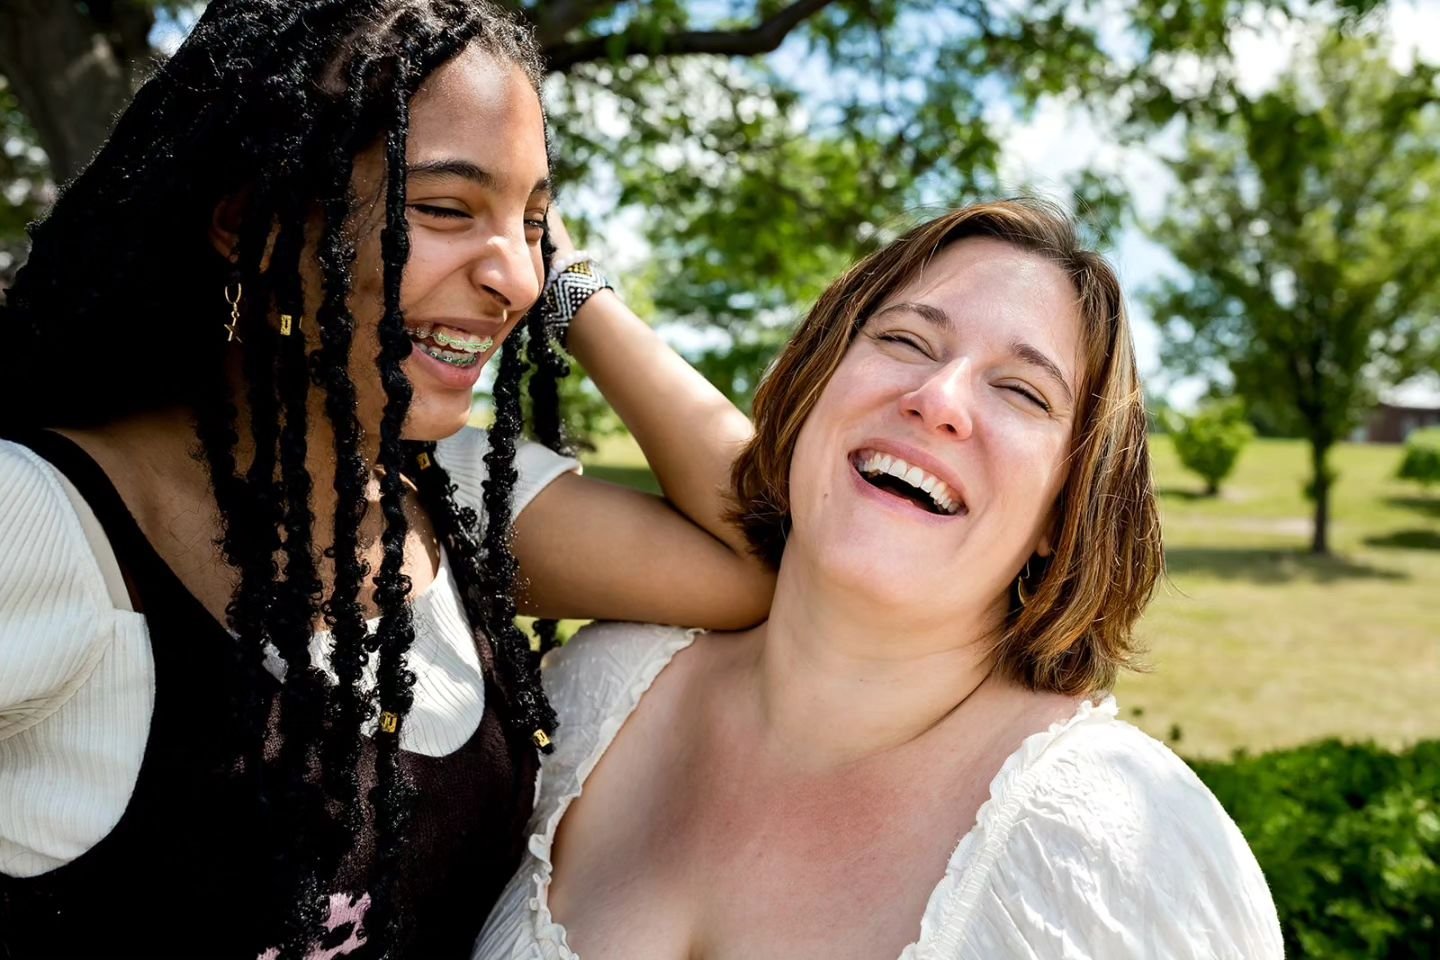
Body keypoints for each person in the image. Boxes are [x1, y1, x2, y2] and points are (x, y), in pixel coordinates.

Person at [0, 2, 772, 957]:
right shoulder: (44, 521)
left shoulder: (461, 503)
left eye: (534, 226)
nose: (514, 282)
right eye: (445, 208)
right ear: (249, 222)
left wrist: (571, 286)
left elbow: (764, 547)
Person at [477, 199, 1285, 959]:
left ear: (1062, 513)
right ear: (814, 384)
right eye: (905, 341)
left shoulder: (1124, 855)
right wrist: (562, 282)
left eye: (1020, 390)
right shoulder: (594, 695)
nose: (938, 399)